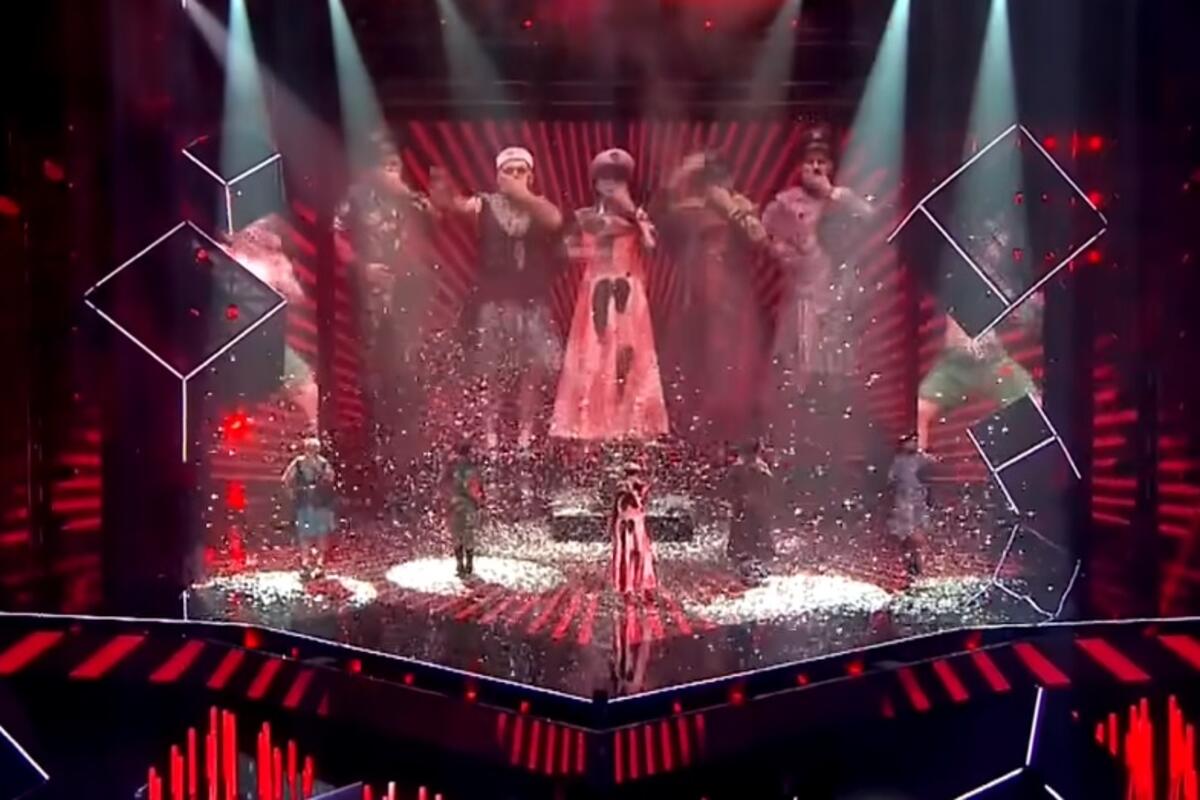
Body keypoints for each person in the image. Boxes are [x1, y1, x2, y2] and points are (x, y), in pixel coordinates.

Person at [430, 147, 565, 452]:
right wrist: (443, 189)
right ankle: (489, 430)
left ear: (530, 176)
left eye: (521, 171)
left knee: (532, 369)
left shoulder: (539, 206)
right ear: (498, 175)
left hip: (530, 299)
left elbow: (555, 220)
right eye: (509, 171)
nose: (515, 176)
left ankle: (525, 432)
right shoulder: (485, 203)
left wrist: (523, 195)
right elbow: (457, 206)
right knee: (491, 368)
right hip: (494, 298)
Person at [551, 148, 669, 441]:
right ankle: (593, 423)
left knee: (629, 354)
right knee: (594, 353)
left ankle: (629, 424)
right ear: (595, 182)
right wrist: (589, 252)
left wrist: (634, 214)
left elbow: (652, 247)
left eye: (618, 179)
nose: (610, 184)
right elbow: (564, 252)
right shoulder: (583, 217)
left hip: (628, 293)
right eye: (605, 178)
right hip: (596, 290)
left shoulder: (637, 219)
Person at [654, 151, 771, 445]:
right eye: (711, 179)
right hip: (695, 298)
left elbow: (760, 239)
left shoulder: (741, 205)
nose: (717, 184)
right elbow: (658, 216)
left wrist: (729, 207)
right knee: (694, 365)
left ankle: (731, 440)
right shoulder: (691, 208)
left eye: (722, 178)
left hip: (731, 301)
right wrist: (682, 171)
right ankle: (695, 440)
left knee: (730, 366)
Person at [333, 134, 435, 469]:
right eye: (385, 165)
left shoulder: (410, 199)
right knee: (373, 361)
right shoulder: (356, 196)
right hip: (372, 289)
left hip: (407, 290)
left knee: (409, 361)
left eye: (395, 165)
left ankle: (409, 441)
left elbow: (435, 220)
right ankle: (374, 436)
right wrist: (360, 267)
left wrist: (408, 196)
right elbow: (335, 233)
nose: (391, 170)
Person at [762, 125, 874, 397]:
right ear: (800, 166)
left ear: (831, 166)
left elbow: (870, 217)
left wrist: (830, 192)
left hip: (838, 293)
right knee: (800, 369)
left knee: (836, 372)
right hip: (803, 297)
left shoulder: (842, 198)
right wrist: (786, 255)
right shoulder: (786, 202)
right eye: (809, 161)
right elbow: (765, 234)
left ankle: (834, 410)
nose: (815, 167)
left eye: (821, 161)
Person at [916, 218, 1041, 452]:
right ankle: (913, 468)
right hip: (954, 364)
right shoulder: (961, 268)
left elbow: (1029, 317)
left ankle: (1026, 463)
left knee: (1033, 403)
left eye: (1001, 240)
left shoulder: (1007, 282)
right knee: (919, 411)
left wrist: (1030, 308)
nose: (996, 246)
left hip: (993, 364)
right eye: (992, 239)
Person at [720, 440, 776, 586]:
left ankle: (745, 570)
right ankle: (757, 569)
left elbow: (729, 487)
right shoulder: (763, 469)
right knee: (757, 537)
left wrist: (735, 500)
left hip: (743, 506)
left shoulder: (738, 469)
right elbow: (768, 490)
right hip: (756, 507)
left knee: (742, 537)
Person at [282, 436, 336, 576]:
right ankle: (309, 563)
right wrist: (292, 493)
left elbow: (330, 478)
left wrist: (292, 493)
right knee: (311, 534)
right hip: (309, 503)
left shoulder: (320, 463)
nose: (312, 451)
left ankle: (315, 563)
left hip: (316, 503)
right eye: (311, 448)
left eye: (314, 448)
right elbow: (287, 479)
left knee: (317, 534)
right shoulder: (301, 463)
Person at [886, 434, 936, 576]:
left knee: (918, 534)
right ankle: (912, 565)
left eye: (914, 441)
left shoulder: (920, 458)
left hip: (918, 501)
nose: (913, 444)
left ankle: (919, 566)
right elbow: (890, 480)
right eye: (910, 441)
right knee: (906, 536)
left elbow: (933, 464)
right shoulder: (898, 461)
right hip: (904, 502)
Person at [610, 461, 657, 598]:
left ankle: (637, 583)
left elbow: (640, 506)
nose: (632, 478)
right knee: (629, 552)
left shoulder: (639, 488)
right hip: (627, 523)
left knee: (637, 552)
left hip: (635, 523)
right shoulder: (623, 488)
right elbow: (618, 507)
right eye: (630, 474)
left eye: (634, 474)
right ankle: (628, 584)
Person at [445, 440, 485, 578]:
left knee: (457, 534)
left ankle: (460, 565)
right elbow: (475, 487)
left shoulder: (452, 467)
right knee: (468, 534)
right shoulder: (472, 468)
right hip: (469, 504)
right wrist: (480, 501)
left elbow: (443, 483)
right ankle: (469, 564)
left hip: (455, 504)